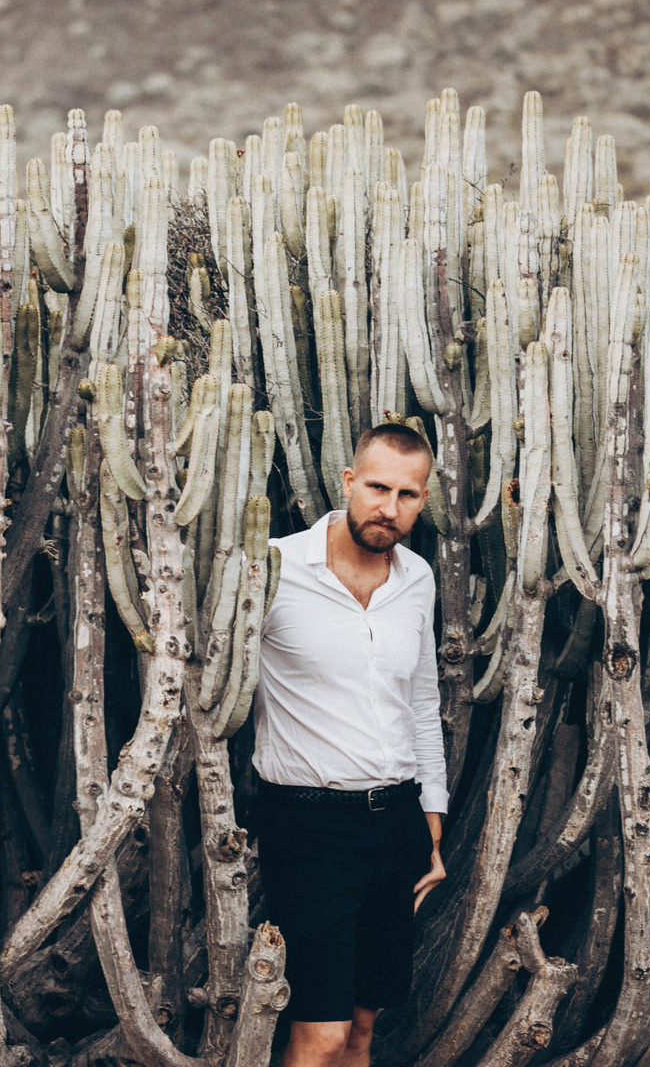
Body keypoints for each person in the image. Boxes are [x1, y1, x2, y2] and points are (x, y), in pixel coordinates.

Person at [252, 422, 450, 1067]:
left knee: (364, 1027)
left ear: (423, 500)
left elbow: (421, 703)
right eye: (377, 488)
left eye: (407, 495)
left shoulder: (417, 579)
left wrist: (431, 823)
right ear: (347, 481)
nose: (389, 508)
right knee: (323, 1033)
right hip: (308, 826)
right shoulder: (274, 566)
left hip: (397, 822)